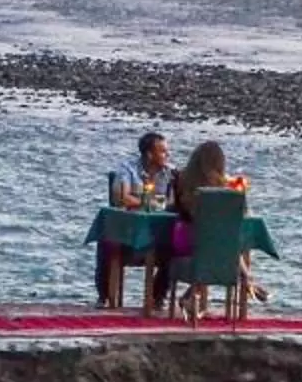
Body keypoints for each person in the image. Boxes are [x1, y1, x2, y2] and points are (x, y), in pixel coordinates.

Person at [156, 140, 233, 317]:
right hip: (205, 242)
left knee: (212, 244)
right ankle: (247, 282)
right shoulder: (222, 187)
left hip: (183, 239)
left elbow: (172, 208)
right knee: (229, 245)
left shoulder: (180, 180)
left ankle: (191, 296)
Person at [99, 131, 175, 307]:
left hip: (157, 231)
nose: (167, 155)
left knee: (175, 246)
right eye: (163, 151)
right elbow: (121, 197)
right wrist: (148, 202)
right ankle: (104, 296)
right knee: (106, 240)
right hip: (129, 230)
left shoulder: (170, 173)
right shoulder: (127, 169)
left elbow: (173, 201)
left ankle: (158, 297)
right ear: (149, 154)